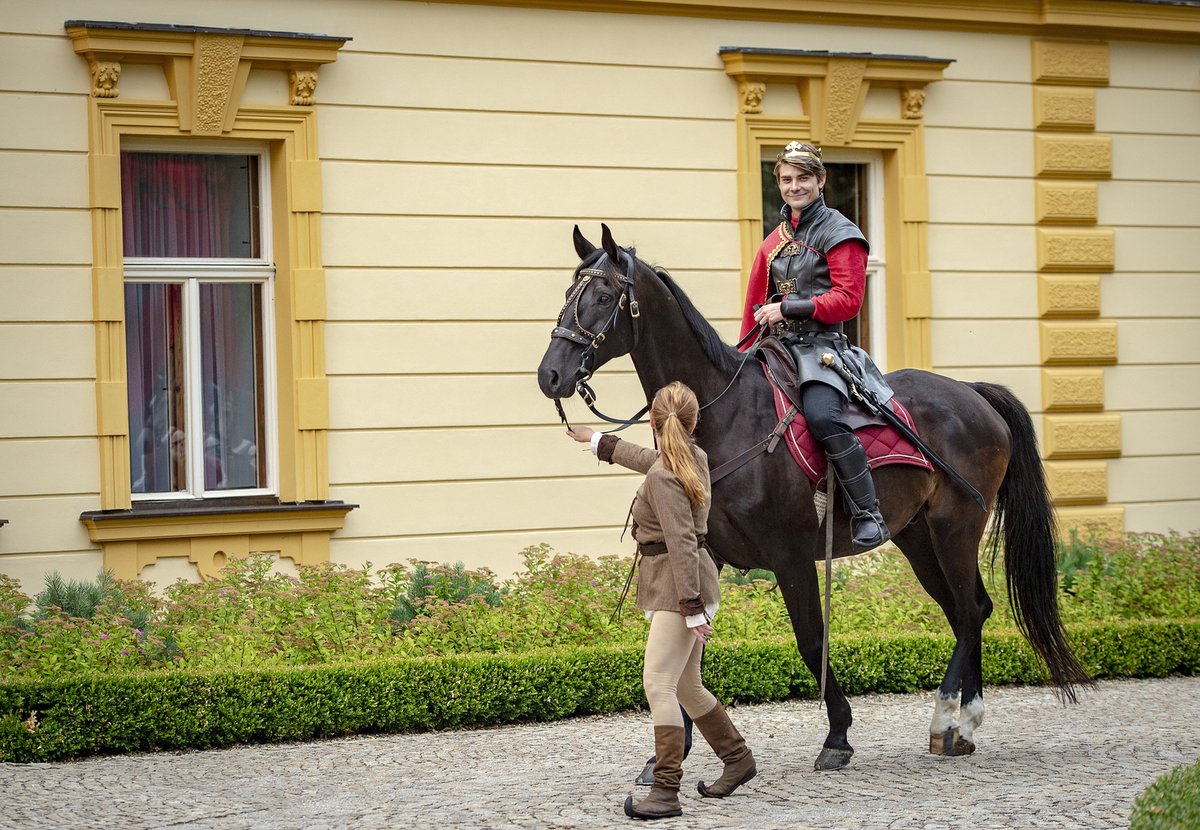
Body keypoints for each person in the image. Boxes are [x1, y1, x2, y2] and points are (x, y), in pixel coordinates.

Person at [566, 381, 756, 820]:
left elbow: (682, 541)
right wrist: (598, 441)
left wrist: (690, 609)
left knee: (658, 684)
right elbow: (651, 459)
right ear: (693, 423)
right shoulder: (691, 458)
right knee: (686, 685)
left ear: (653, 422)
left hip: (680, 588)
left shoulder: (666, 476)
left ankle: (666, 791)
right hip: (686, 586)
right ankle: (737, 758)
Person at [740, 140, 892, 552]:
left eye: (803, 178)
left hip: (821, 349)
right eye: (787, 180)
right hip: (775, 348)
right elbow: (754, 305)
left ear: (820, 180)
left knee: (823, 418)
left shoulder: (841, 233)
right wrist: (740, 358)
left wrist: (789, 307)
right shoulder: (774, 241)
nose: (794, 187)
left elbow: (849, 300)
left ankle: (867, 513)